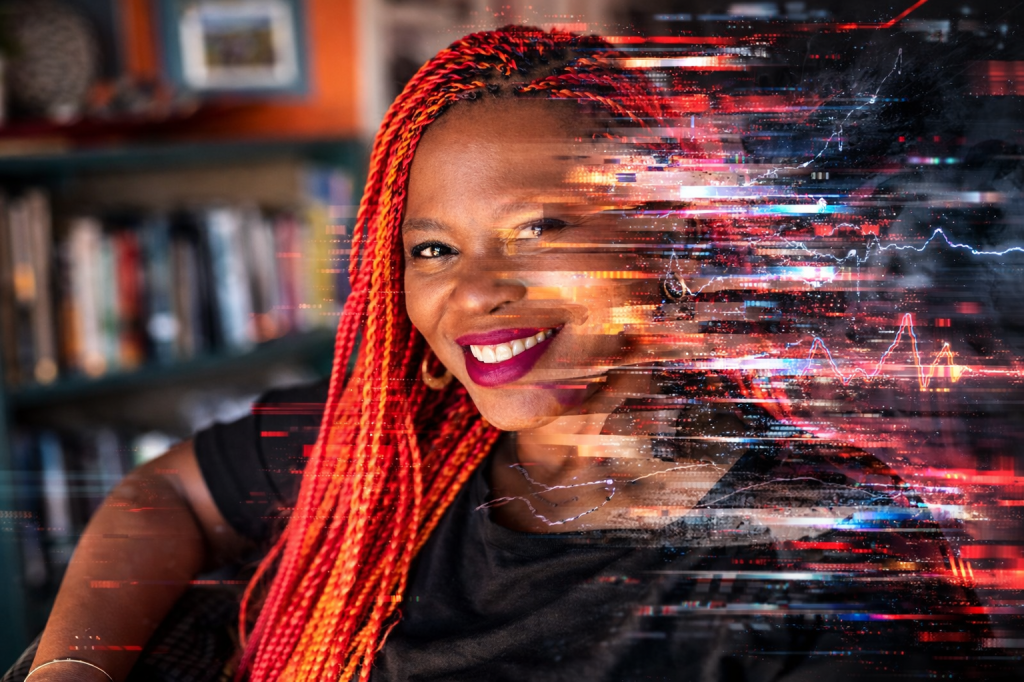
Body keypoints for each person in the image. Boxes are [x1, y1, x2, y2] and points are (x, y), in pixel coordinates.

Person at [7, 25, 1017, 682]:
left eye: (539, 228)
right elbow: (165, 495)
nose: (473, 289)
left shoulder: (837, 559)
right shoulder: (388, 442)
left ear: (666, 240)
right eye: (432, 250)